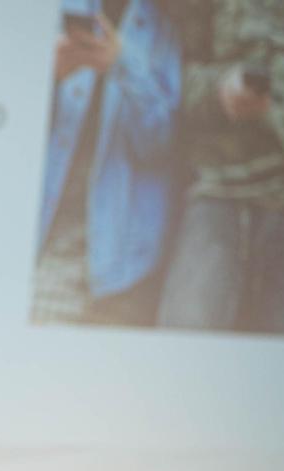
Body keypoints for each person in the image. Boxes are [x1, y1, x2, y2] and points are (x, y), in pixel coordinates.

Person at [156, 0, 284, 333]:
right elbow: (165, 73)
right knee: (186, 339)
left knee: (277, 363)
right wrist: (219, 92)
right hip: (216, 192)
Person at [31, 0, 181, 326]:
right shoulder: (55, 13)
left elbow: (159, 145)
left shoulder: (163, 33)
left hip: (120, 257)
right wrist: (51, 77)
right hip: (49, 243)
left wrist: (122, 65)